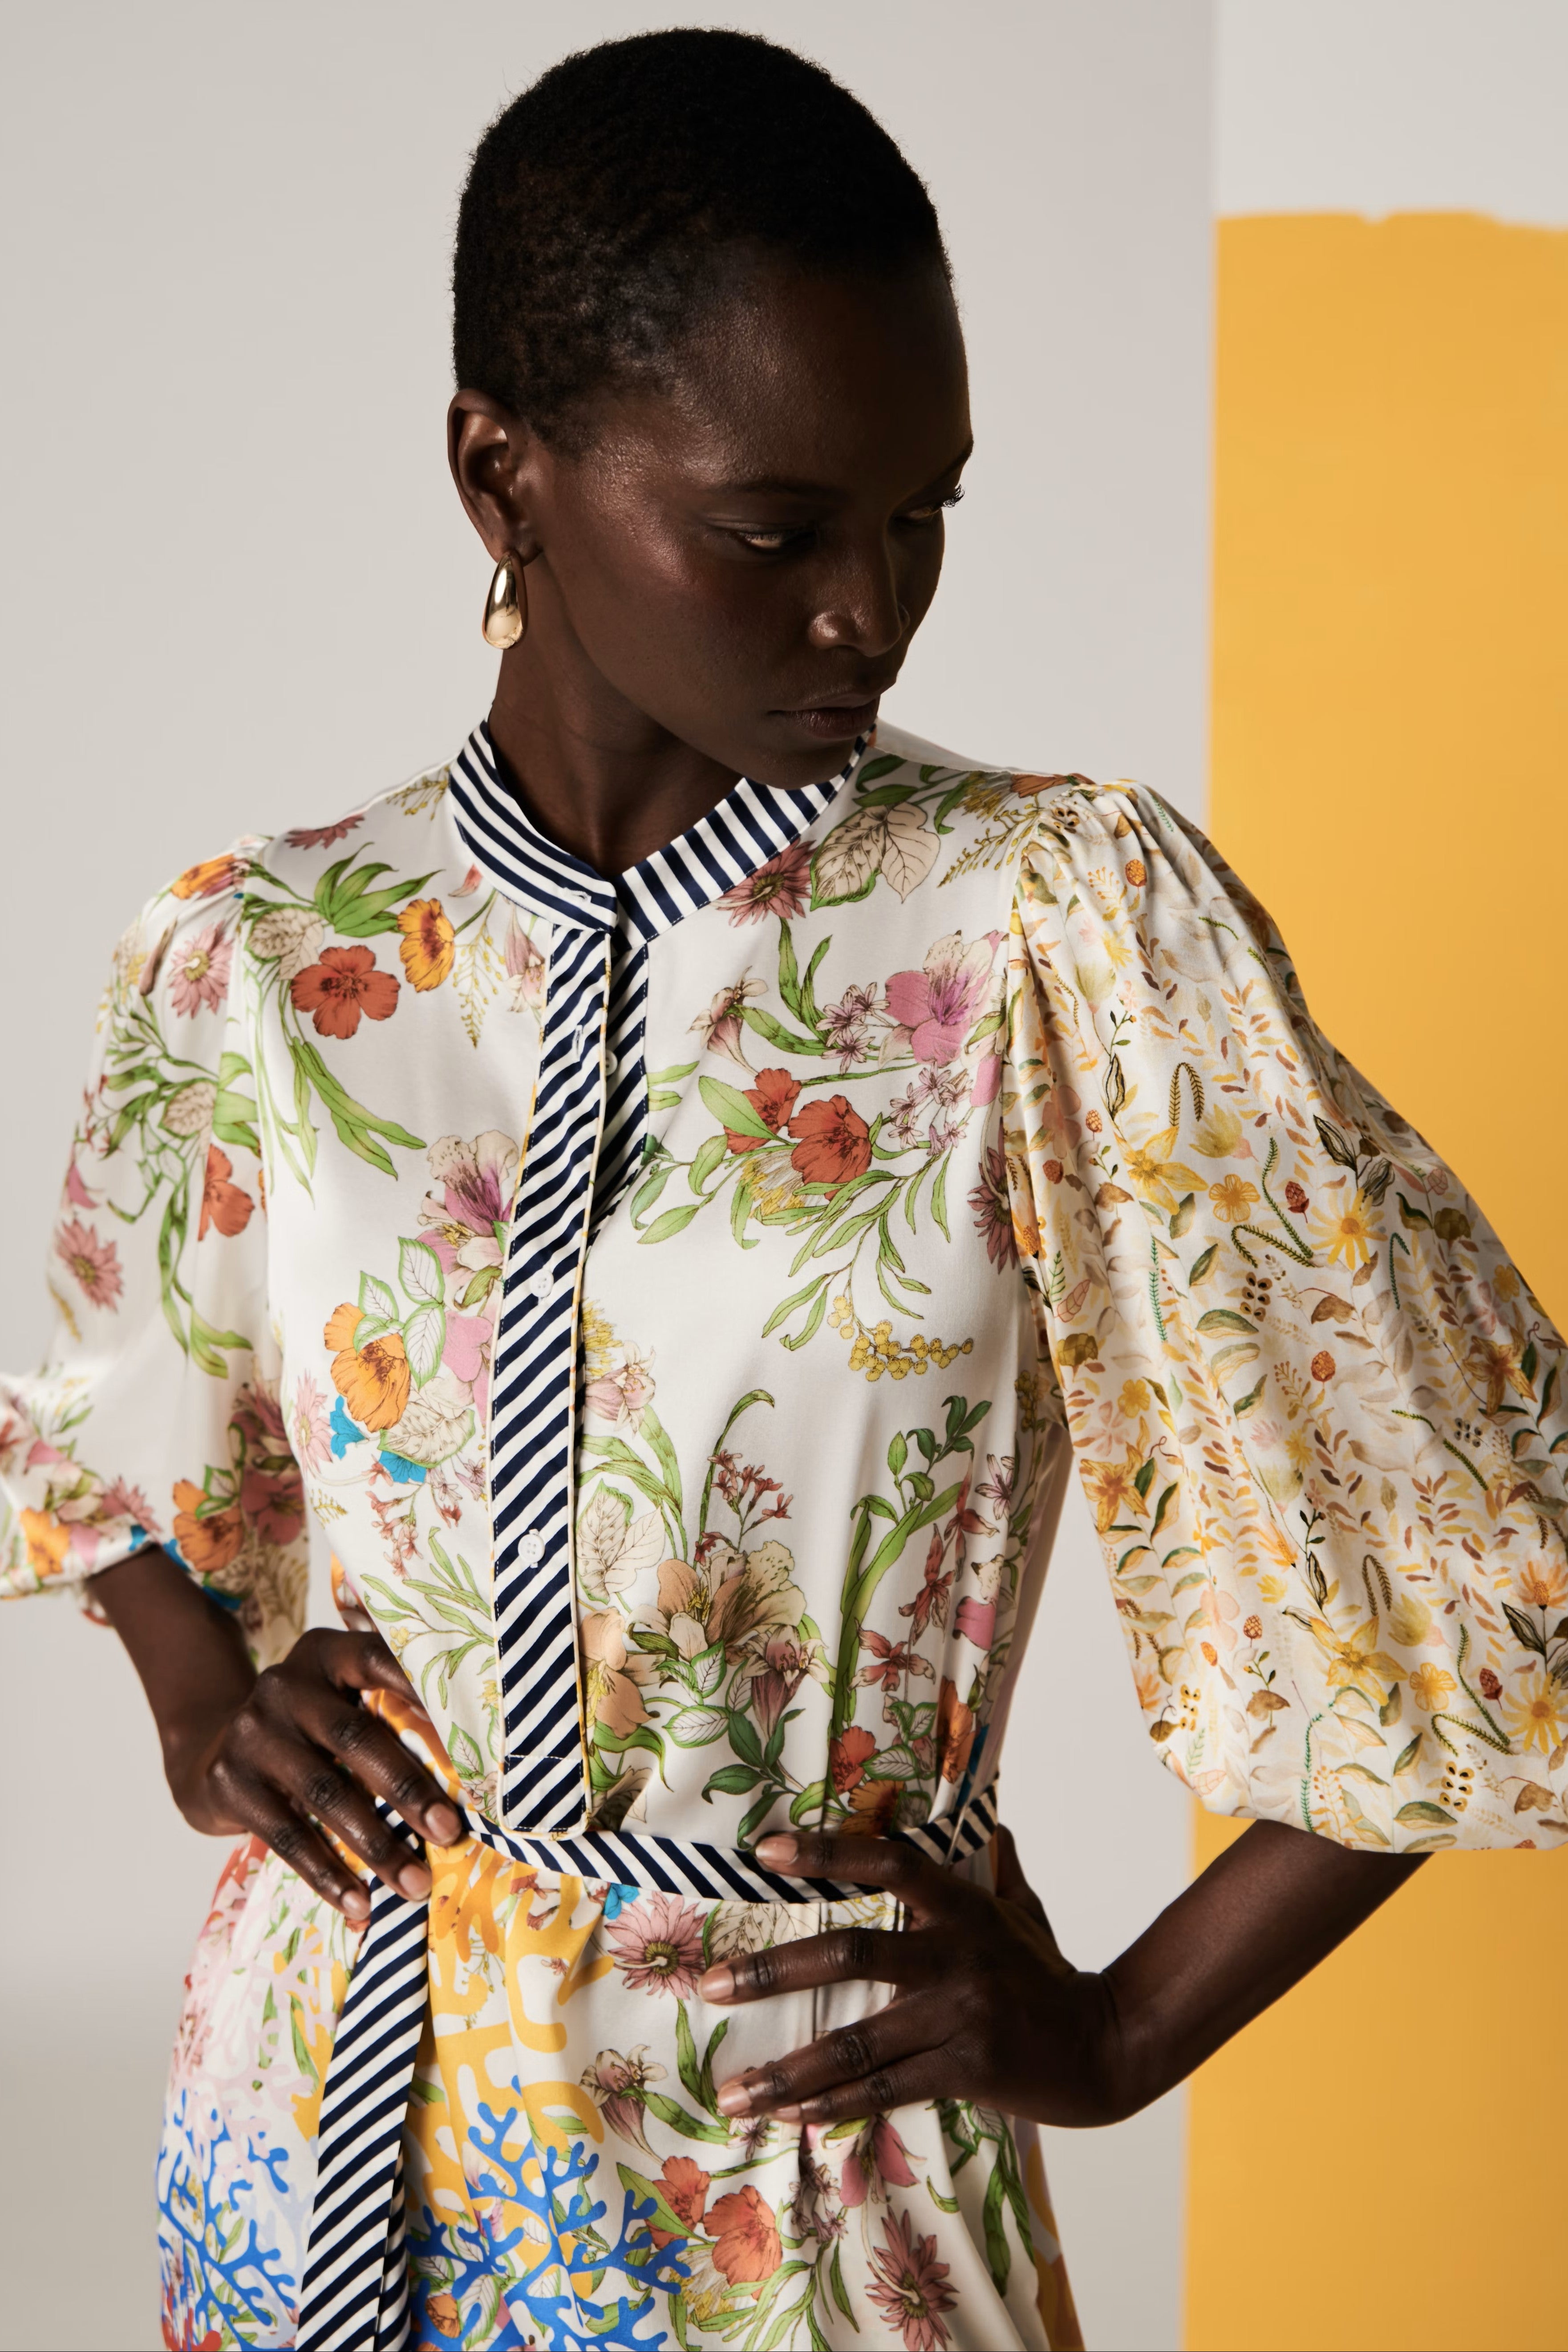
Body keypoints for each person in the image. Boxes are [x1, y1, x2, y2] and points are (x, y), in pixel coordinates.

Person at [4, 28, 1564, 2352]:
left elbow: (1479, 1547)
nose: (873, 607)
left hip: (802, 2168)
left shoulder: (1052, 928)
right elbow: (108, 1438)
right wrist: (194, 1701)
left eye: (926, 514)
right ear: (501, 477)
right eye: (777, 532)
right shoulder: (258, 949)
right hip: (313, 2115)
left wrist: (1124, 2032)